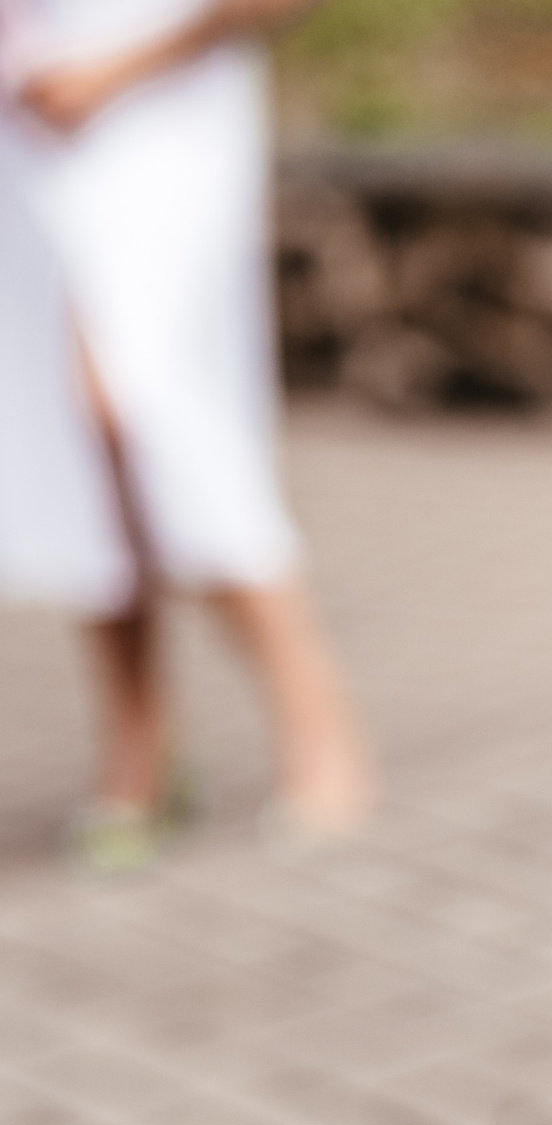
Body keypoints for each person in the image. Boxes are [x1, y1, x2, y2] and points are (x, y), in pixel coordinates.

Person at [0, 0, 370, 872]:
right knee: (71, 435)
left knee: (149, 406)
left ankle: (315, 715)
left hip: (165, 111)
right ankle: (138, 740)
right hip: (35, 118)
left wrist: (118, 67)